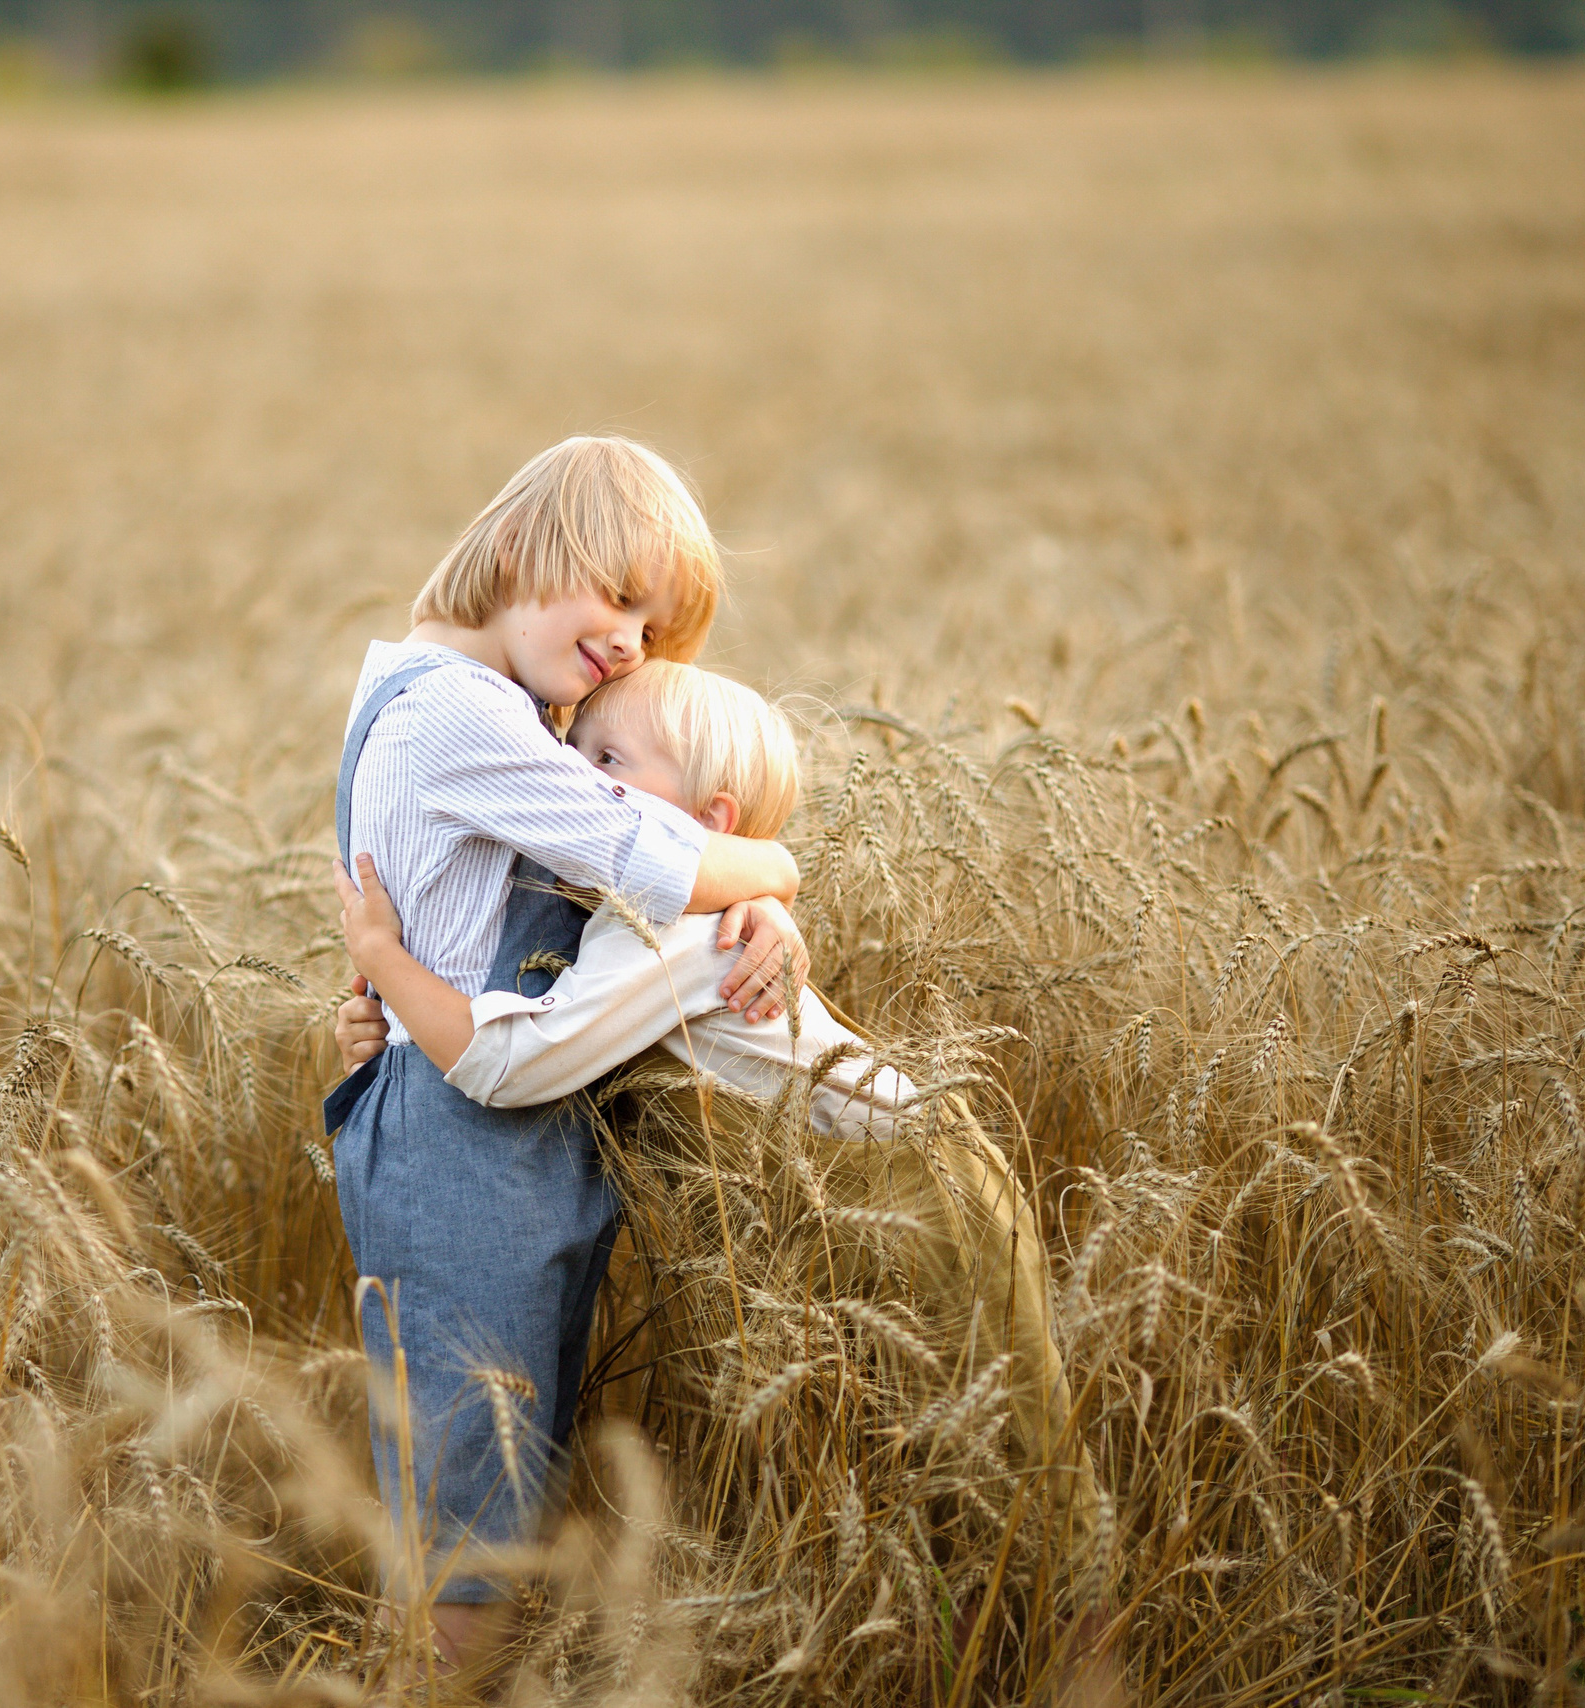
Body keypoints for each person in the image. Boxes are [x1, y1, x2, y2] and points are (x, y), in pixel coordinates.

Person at [332, 659, 1097, 1550]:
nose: (573, 780)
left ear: (708, 824)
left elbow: (514, 1063)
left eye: (606, 761)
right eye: (569, 753)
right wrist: (389, 1029)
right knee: (929, 1450)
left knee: (1015, 1459)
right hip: (877, 1181)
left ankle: (1079, 1625)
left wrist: (384, 959)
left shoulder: (670, 935)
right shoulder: (643, 924)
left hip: (920, 1190)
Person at [322, 437, 810, 1678]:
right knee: (470, 1499)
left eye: (655, 627)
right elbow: (661, 858)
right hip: (466, 1140)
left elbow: (623, 853)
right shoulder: (458, 715)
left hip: (508, 1126)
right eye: (621, 597)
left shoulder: (454, 697)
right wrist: (775, 871)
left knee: (502, 1465)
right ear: (520, 546)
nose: (632, 643)